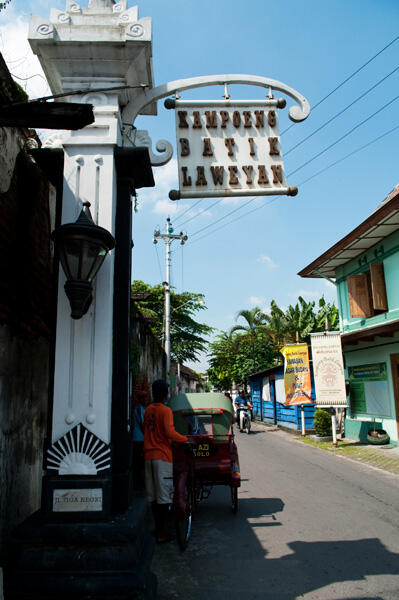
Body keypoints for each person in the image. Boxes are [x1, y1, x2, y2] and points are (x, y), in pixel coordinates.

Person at [143, 379, 190, 543]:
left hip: (148, 456)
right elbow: (170, 433)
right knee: (163, 498)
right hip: (162, 456)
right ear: (165, 394)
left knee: (154, 497)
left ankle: (156, 528)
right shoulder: (166, 410)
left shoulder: (148, 409)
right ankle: (161, 533)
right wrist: (185, 439)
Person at [132, 390, 148, 489]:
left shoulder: (141, 408)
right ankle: (140, 484)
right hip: (139, 439)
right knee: (140, 463)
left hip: (140, 438)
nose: (146, 400)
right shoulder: (139, 409)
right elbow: (143, 424)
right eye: (144, 398)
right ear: (140, 399)